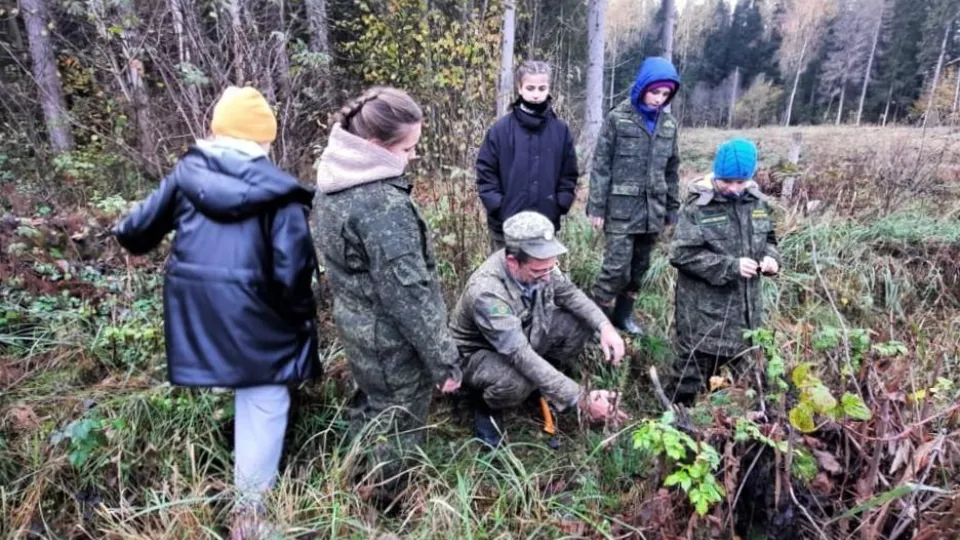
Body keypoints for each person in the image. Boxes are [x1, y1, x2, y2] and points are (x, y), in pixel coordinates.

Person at [111, 86, 321, 537]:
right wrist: (303, 318)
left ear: (216, 129)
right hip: (257, 317)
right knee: (265, 397)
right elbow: (292, 273)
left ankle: (189, 492)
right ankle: (251, 518)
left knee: (251, 387)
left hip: (196, 316)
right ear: (265, 139)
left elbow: (132, 232)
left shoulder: (187, 175)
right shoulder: (280, 192)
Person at [314, 86, 462, 503]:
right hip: (391, 339)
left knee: (371, 403)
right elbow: (409, 295)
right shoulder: (382, 206)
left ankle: (355, 472)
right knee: (399, 420)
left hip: (358, 327)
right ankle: (384, 503)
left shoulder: (333, 180)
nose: (414, 156)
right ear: (377, 146)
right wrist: (443, 360)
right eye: (409, 148)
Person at [449, 211, 628, 447]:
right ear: (513, 262)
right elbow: (518, 354)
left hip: (523, 335)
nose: (547, 277)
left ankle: (546, 387)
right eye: (538, 272)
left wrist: (605, 327)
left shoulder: (540, 264)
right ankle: (484, 406)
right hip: (477, 356)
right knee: (515, 381)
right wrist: (581, 398)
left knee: (579, 325)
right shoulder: (487, 293)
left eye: (549, 269)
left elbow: (570, 294)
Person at [669, 138, 780, 405]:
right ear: (716, 174)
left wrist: (771, 259)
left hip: (747, 316)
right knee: (689, 379)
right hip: (704, 316)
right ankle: (677, 422)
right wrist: (729, 267)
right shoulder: (697, 207)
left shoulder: (757, 203)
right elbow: (681, 254)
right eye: (726, 181)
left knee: (750, 387)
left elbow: (770, 241)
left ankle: (734, 426)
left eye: (740, 182)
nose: (733, 189)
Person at [587, 56, 682, 336]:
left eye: (665, 94)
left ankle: (622, 318)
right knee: (615, 269)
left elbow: (672, 169)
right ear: (642, 88)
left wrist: (670, 210)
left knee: (639, 269)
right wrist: (597, 207)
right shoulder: (618, 118)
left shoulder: (668, 125)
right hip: (620, 210)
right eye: (655, 92)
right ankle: (595, 323)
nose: (659, 99)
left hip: (653, 211)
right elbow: (601, 165)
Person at [476, 60, 579, 252]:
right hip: (505, 224)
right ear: (520, 88)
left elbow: (569, 173)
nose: (536, 94)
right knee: (505, 275)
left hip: (545, 222)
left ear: (549, 89)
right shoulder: (500, 130)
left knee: (540, 276)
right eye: (530, 88)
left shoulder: (560, 130)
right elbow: (485, 172)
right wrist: (499, 206)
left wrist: (560, 204)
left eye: (542, 88)